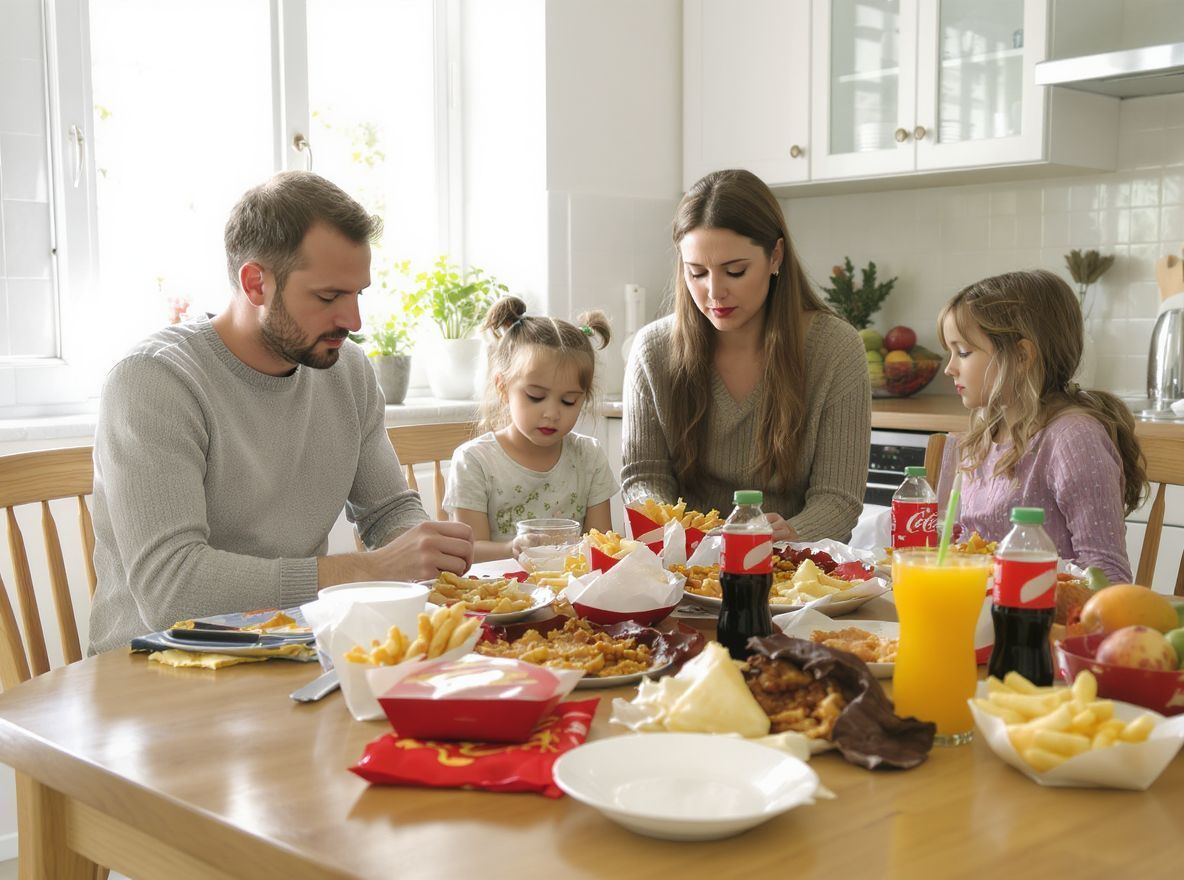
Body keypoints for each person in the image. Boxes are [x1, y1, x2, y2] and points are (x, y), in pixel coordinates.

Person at [89, 171, 474, 653]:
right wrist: (368, 571)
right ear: (256, 284)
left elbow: (389, 509)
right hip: (153, 670)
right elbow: (174, 589)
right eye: (329, 297)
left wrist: (421, 553)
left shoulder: (347, 371)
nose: (353, 322)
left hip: (293, 650)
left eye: (358, 294)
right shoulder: (154, 381)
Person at [622, 169, 871, 542]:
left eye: (735, 271)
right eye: (697, 273)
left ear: (776, 256)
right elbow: (644, 481)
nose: (714, 292)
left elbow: (838, 500)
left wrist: (789, 534)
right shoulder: (652, 351)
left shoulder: (835, 348)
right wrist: (682, 534)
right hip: (685, 570)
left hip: (795, 575)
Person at [935, 269, 1145, 583]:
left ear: (1021, 355)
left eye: (963, 352)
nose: (949, 368)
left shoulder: (1073, 439)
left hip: (1040, 622)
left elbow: (1108, 576)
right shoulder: (982, 435)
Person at [443, 296, 618, 562]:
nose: (552, 413)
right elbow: (469, 551)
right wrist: (511, 549)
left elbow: (601, 544)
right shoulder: (474, 461)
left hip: (568, 595)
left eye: (569, 401)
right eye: (535, 396)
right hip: (497, 596)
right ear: (503, 387)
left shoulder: (588, 457)